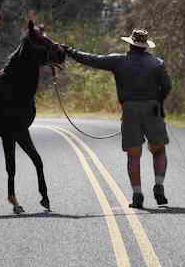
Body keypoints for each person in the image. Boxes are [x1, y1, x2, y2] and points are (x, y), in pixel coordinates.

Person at [61, 29, 172, 208]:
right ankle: (159, 186)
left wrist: (69, 51)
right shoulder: (157, 63)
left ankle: (137, 196)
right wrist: (158, 102)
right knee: (159, 150)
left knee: (133, 155)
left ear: (130, 44)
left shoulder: (118, 61)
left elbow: (91, 59)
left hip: (129, 109)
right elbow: (167, 86)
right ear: (145, 46)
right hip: (153, 108)